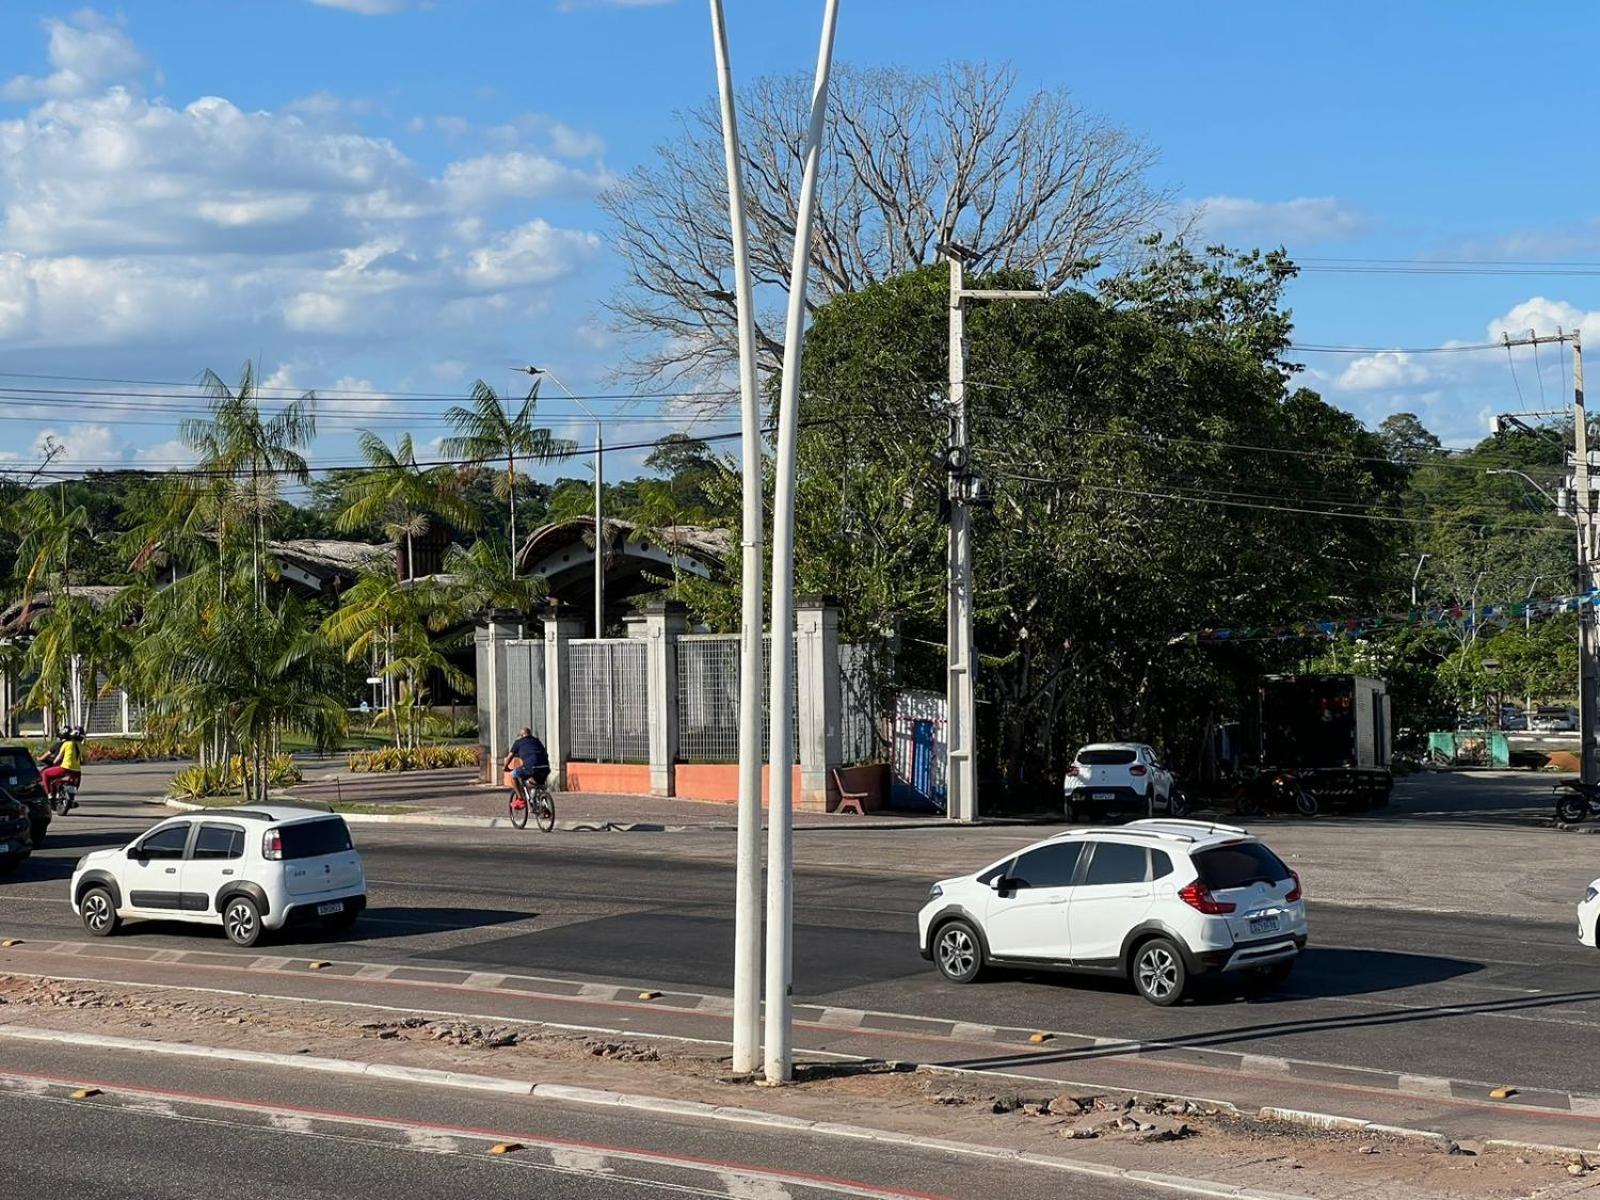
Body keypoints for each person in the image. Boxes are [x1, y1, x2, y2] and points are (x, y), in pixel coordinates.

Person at [41, 725, 83, 811]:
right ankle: (71, 799)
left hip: (65, 769)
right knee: (74, 785)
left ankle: (49, 795)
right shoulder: (81, 746)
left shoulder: (66, 744)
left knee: (45, 773)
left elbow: (58, 758)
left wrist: (53, 762)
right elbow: (84, 760)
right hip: (77, 772)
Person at [505, 727, 550, 794]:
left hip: (531, 767)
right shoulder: (536, 741)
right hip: (545, 767)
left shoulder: (518, 742)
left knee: (513, 775)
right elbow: (545, 753)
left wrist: (505, 767)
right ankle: (538, 796)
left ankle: (520, 799)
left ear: (521, 735)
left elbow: (509, 757)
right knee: (536, 781)